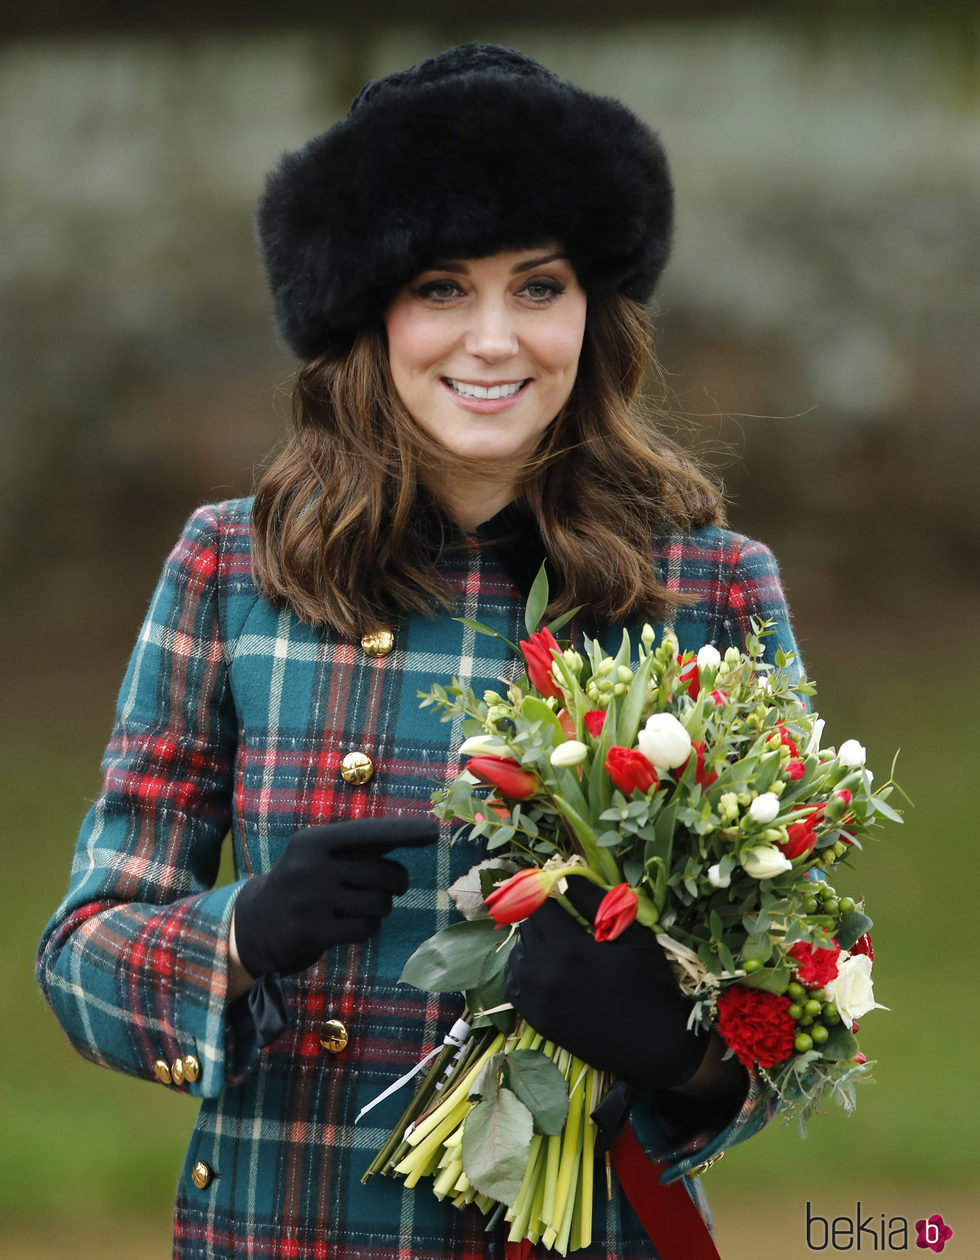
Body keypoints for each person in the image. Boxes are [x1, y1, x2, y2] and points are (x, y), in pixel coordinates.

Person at [37, 43, 802, 1260]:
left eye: (537, 287)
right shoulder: (232, 567)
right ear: (363, 309)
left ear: (593, 311)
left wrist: (675, 1046)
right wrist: (242, 931)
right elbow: (82, 959)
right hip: (288, 1225)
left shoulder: (707, 583)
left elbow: (798, 1008)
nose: (493, 341)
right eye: (441, 287)